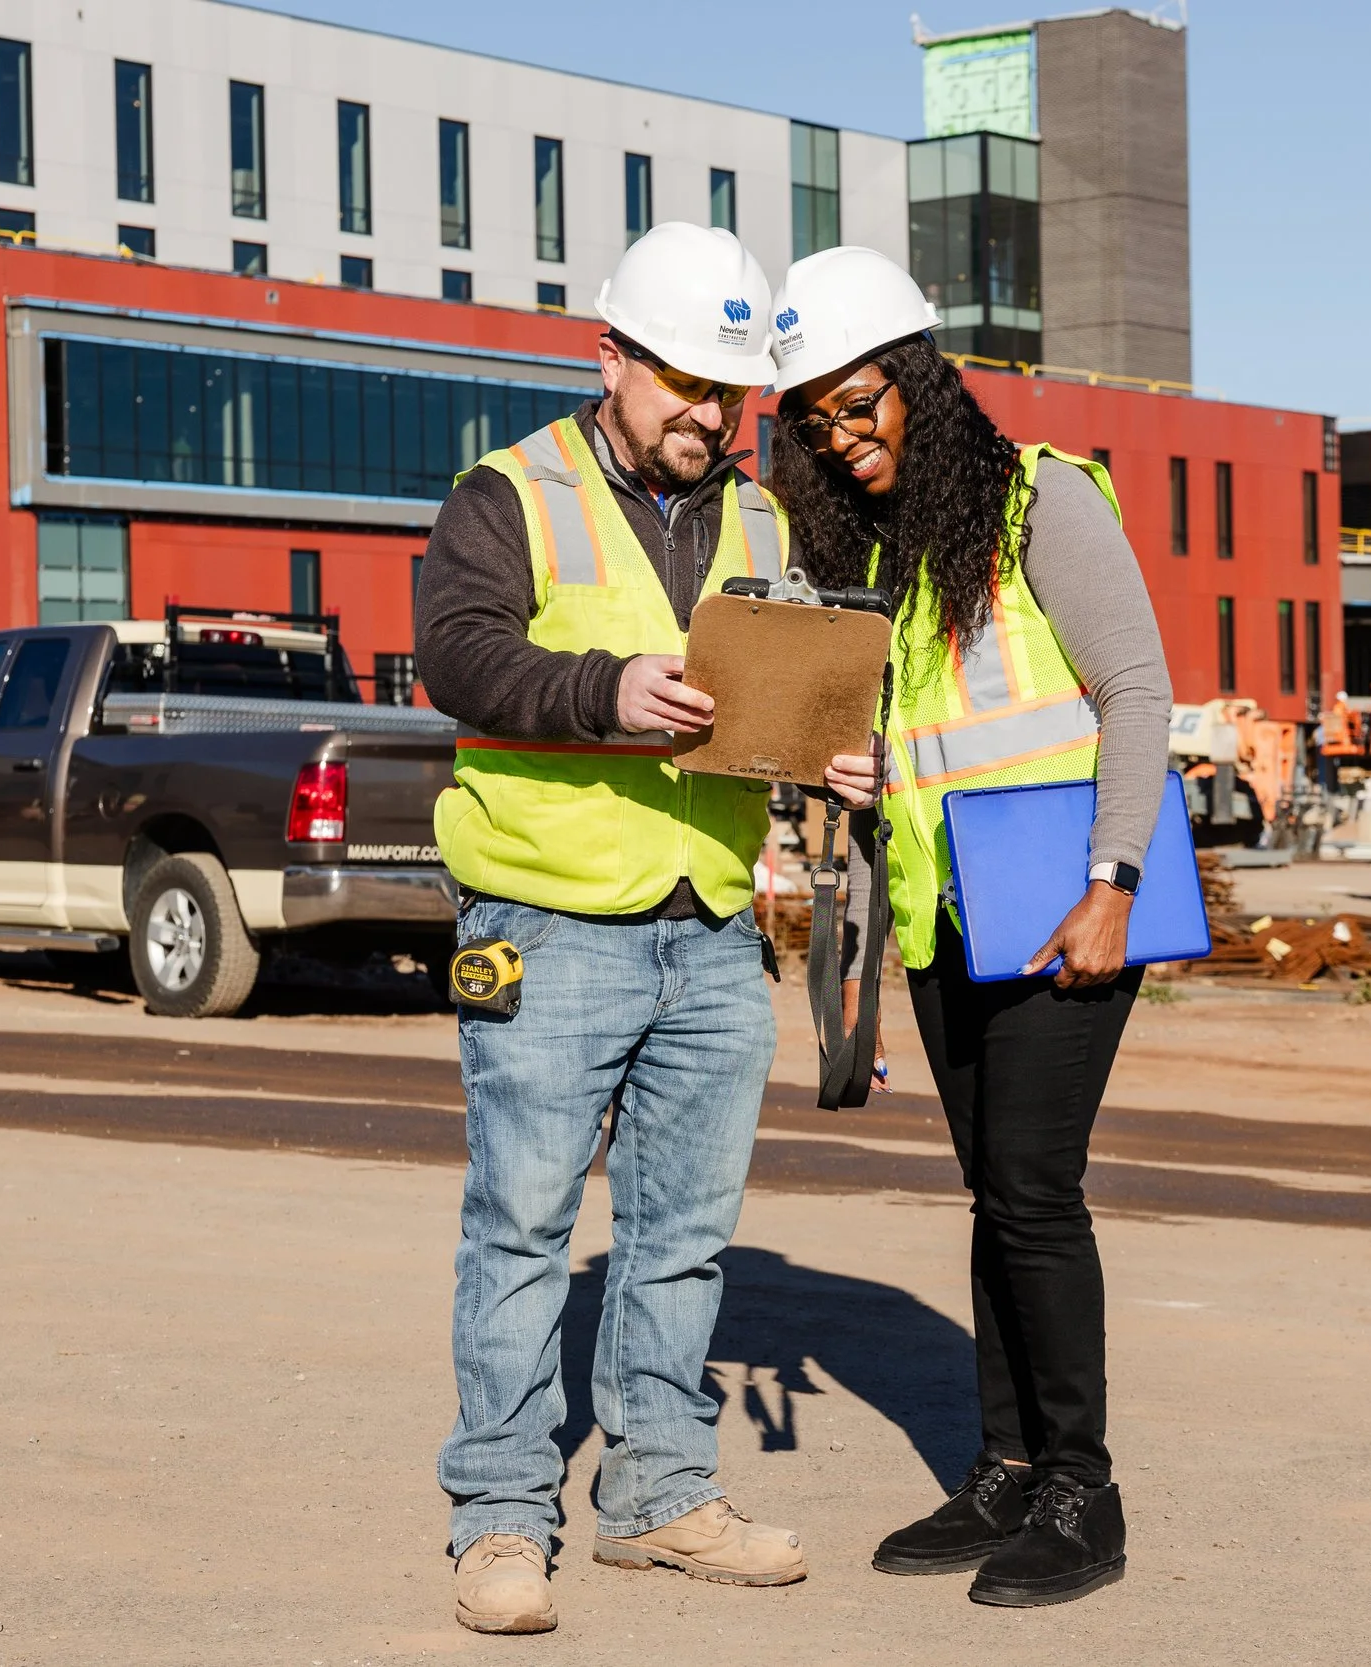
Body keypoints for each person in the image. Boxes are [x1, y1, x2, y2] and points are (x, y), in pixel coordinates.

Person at [415, 223, 854, 1635]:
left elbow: (777, 691)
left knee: (681, 1237)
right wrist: (609, 688)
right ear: (610, 358)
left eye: (728, 395)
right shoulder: (511, 492)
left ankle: (659, 1493)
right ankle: (498, 1516)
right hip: (546, 919)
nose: (707, 419)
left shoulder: (768, 519)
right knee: (523, 1225)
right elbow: (459, 655)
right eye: (682, 385)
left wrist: (827, 749)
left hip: (712, 923)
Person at [770, 246, 1172, 1608]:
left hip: (1064, 910)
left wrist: (1114, 876)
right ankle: (1004, 1461)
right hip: (945, 918)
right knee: (993, 1192)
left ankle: (1083, 1485)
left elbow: (1135, 689)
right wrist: (856, 763)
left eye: (860, 403)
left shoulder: (1038, 504)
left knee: (1036, 1189)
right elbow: (938, 736)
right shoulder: (883, 548)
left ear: (922, 381)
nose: (844, 435)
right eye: (817, 419)